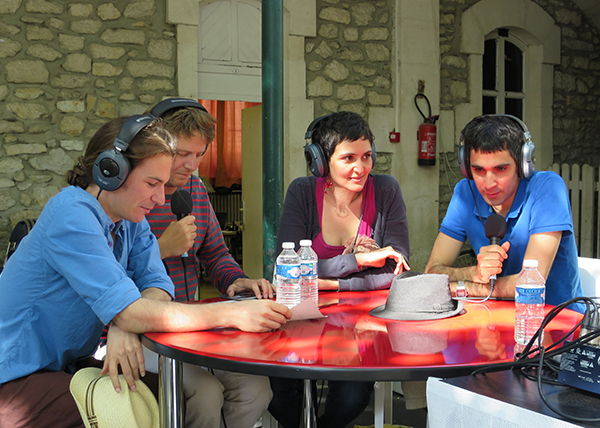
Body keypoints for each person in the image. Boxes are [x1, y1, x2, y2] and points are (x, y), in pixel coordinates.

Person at [0, 115, 291, 428]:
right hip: (14, 376)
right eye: (152, 183)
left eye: (164, 185)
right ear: (110, 171)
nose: (160, 197)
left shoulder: (130, 221)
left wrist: (124, 322)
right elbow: (130, 308)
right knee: (128, 414)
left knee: (186, 396)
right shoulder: (71, 214)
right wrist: (230, 314)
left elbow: (158, 286)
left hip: (61, 366)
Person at [268, 111, 412, 428]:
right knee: (279, 395)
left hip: (359, 326)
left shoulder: (386, 191)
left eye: (367, 156)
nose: (360, 168)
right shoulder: (303, 192)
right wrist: (357, 262)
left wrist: (325, 281)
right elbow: (285, 266)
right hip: (300, 320)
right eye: (348, 158)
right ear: (320, 161)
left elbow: (395, 271)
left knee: (351, 399)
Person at [141, 98, 277, 428]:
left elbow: (215, 254)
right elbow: (111, 273)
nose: (192, 165)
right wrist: (161, 248)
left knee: (257, 389)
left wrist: (236, 280)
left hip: (193, 326)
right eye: (182, 154)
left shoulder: (197, 192)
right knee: (206, 393)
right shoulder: (134, 194)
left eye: (199, 155)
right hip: (143, 331)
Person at [425, 114, 584, 313]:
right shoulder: (465, 193)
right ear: (466, 168)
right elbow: (432, 272)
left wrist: (462, 288)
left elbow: (530, 284)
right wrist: (475, 273)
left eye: (500, 169)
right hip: (492, 323)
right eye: (478, 170)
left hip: (556, 328)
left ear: (523, 163)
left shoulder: (548, 188)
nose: (489, 183)